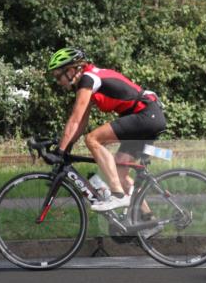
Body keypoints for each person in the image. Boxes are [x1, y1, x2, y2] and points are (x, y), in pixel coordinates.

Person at [48, 47, 166, 213]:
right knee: (120, 172)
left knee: (92, 139)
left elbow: (75, 120)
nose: (58, 82)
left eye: (58, 76)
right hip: (146, 117)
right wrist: (66, 148)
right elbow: (81, 123)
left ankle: (117, 195)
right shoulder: (89, 80)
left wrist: (59, 151)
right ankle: (148, 219)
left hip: (145, 115)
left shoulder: (87, 79)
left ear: (72, 70)